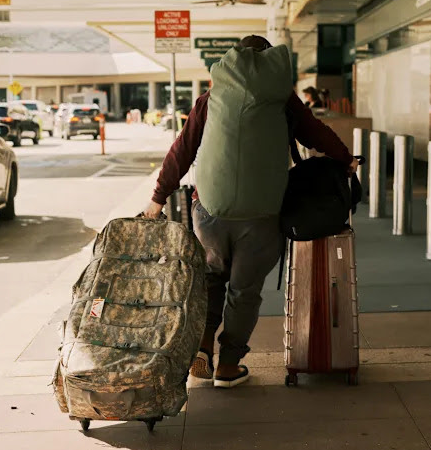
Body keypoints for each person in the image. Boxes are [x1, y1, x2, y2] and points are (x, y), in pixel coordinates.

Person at [144, 35, 357, 388]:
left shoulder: (211, 99)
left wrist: (158, 197)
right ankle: (228, 366)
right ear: (272, 63)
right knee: (244, 291)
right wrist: (345, 158)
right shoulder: (283, 99)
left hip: (209, 210)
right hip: (261, 213)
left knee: (211, 277)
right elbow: (315, 133)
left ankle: (201, 348)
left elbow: (181, 149)